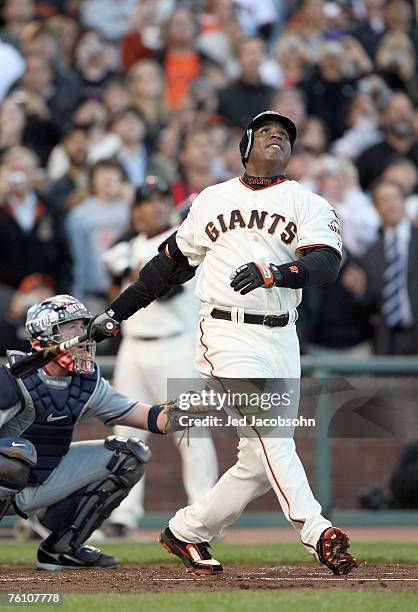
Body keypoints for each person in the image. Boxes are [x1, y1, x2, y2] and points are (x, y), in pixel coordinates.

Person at [89, 110, 357, 576]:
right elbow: (168, 263)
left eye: (285, 136)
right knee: (272, 435)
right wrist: (117, 312)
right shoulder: (213, 199)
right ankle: (317, 530)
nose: (278, 138)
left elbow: (327, 264)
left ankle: (188, 530)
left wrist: (278, 272)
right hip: (225, 330)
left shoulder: (306, 201)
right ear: (245, 145)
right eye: (267, 132)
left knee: (257, 462)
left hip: (281, 334)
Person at [0, 294, 181, 570]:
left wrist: (195, 406)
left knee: (128, 456)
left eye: (83, 324)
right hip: (7, 475)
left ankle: (62, 549)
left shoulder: (87, 383)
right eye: (71, 326)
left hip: (40, 480)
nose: (82, 334)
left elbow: (153, 419)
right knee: (14, 455)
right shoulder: (11, 378)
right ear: (45, 334)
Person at [102, 177, 218, 534]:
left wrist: (137, 269)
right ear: (136, 210)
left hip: (177, 346)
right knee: (126, 434)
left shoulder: (184, 244)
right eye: (148, 201)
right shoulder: (126, 246)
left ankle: (206, 517)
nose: (156, 206)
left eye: (161, 200)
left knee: (192, 435)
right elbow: (113, 268)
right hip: (134, 349)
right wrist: (127, 267)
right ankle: (122, 516)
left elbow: (164, 290)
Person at [343, 179, 418, 354]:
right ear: (376, 208)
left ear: (404, 201)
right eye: (383, 200)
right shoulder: (371, 253)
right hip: (386, 341)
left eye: (394, 198)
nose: (390, 205)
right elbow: (371, 302)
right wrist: (359, 290)